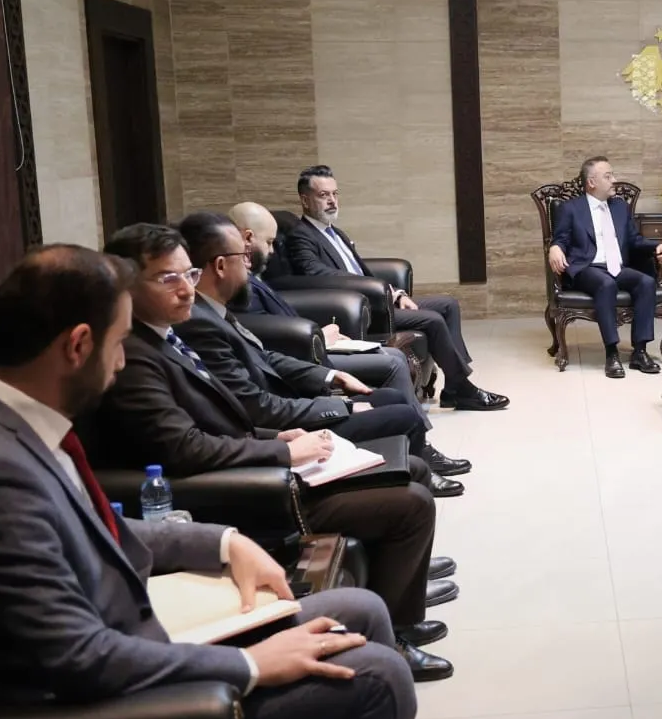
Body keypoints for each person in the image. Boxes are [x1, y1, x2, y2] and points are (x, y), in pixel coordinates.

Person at [0, 245, 475, 719]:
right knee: (377, 675)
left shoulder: (17, 426)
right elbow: (79, 659)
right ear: (78, 344)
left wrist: (220, 542)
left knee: (361, 608)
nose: (122, 360)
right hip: (122, 705)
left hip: (144, 641)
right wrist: (251, 665)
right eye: (118, 343)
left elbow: (101, 530)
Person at [92, 226, 458, 681]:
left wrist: (278, 437)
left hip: (256, 459)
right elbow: (182, 447)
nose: (186, 288)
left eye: (189, 274)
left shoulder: (167, 337)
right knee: (411, 502)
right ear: (126, 286)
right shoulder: (134, 357)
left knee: (412, 468)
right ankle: (395, 637)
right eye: (169, 279)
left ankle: (403, 608)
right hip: (242, 491)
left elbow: (225, 418)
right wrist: (281, 453)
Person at [172, 214, 470, 497]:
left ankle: (408, 471)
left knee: (392, 397)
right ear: (221, 265)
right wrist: (341, 407)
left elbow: (266, 359)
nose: (249, 264)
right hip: (281, 428)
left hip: (287, 407)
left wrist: (330, 375)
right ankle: (413, 476)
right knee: (404, 414)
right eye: (243, 256)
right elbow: (257, 406)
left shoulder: (215, 311)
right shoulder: (201, 323)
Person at [283, 165, 508, 412]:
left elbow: (360, 271)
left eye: (335, 194)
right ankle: (462, 389)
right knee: (432, 319)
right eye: (323, 195)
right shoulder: (301, 236)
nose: (332, 201)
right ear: (305, 200)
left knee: (448, 305)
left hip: (376, 299)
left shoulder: (335, 233)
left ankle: (455, 386)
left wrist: (395, 293)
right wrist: (379, 291)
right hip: (359, 311)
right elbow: (318, 274)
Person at [229, 200, 425, 408]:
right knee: (393, 362)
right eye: (269, 242)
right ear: (248, 238)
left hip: (307, 348)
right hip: (299, 359)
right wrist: (319, 338)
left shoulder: (252, 276)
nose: (272, 251)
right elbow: (264, 336)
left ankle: (408, 423)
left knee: (394, 356)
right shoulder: (238, 284)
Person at [547, 155, 662, 378]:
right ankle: (612, 353)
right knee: (606, 284)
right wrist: (554, 247)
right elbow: (561, 238)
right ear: (591, 182)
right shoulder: (570, 208)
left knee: (645, 282)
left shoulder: (620, 207)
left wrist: (656, 246)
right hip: (587, 268)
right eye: (608, 176)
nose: (614, 180)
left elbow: (634, 240)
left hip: (617, 267)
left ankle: (640, 352)